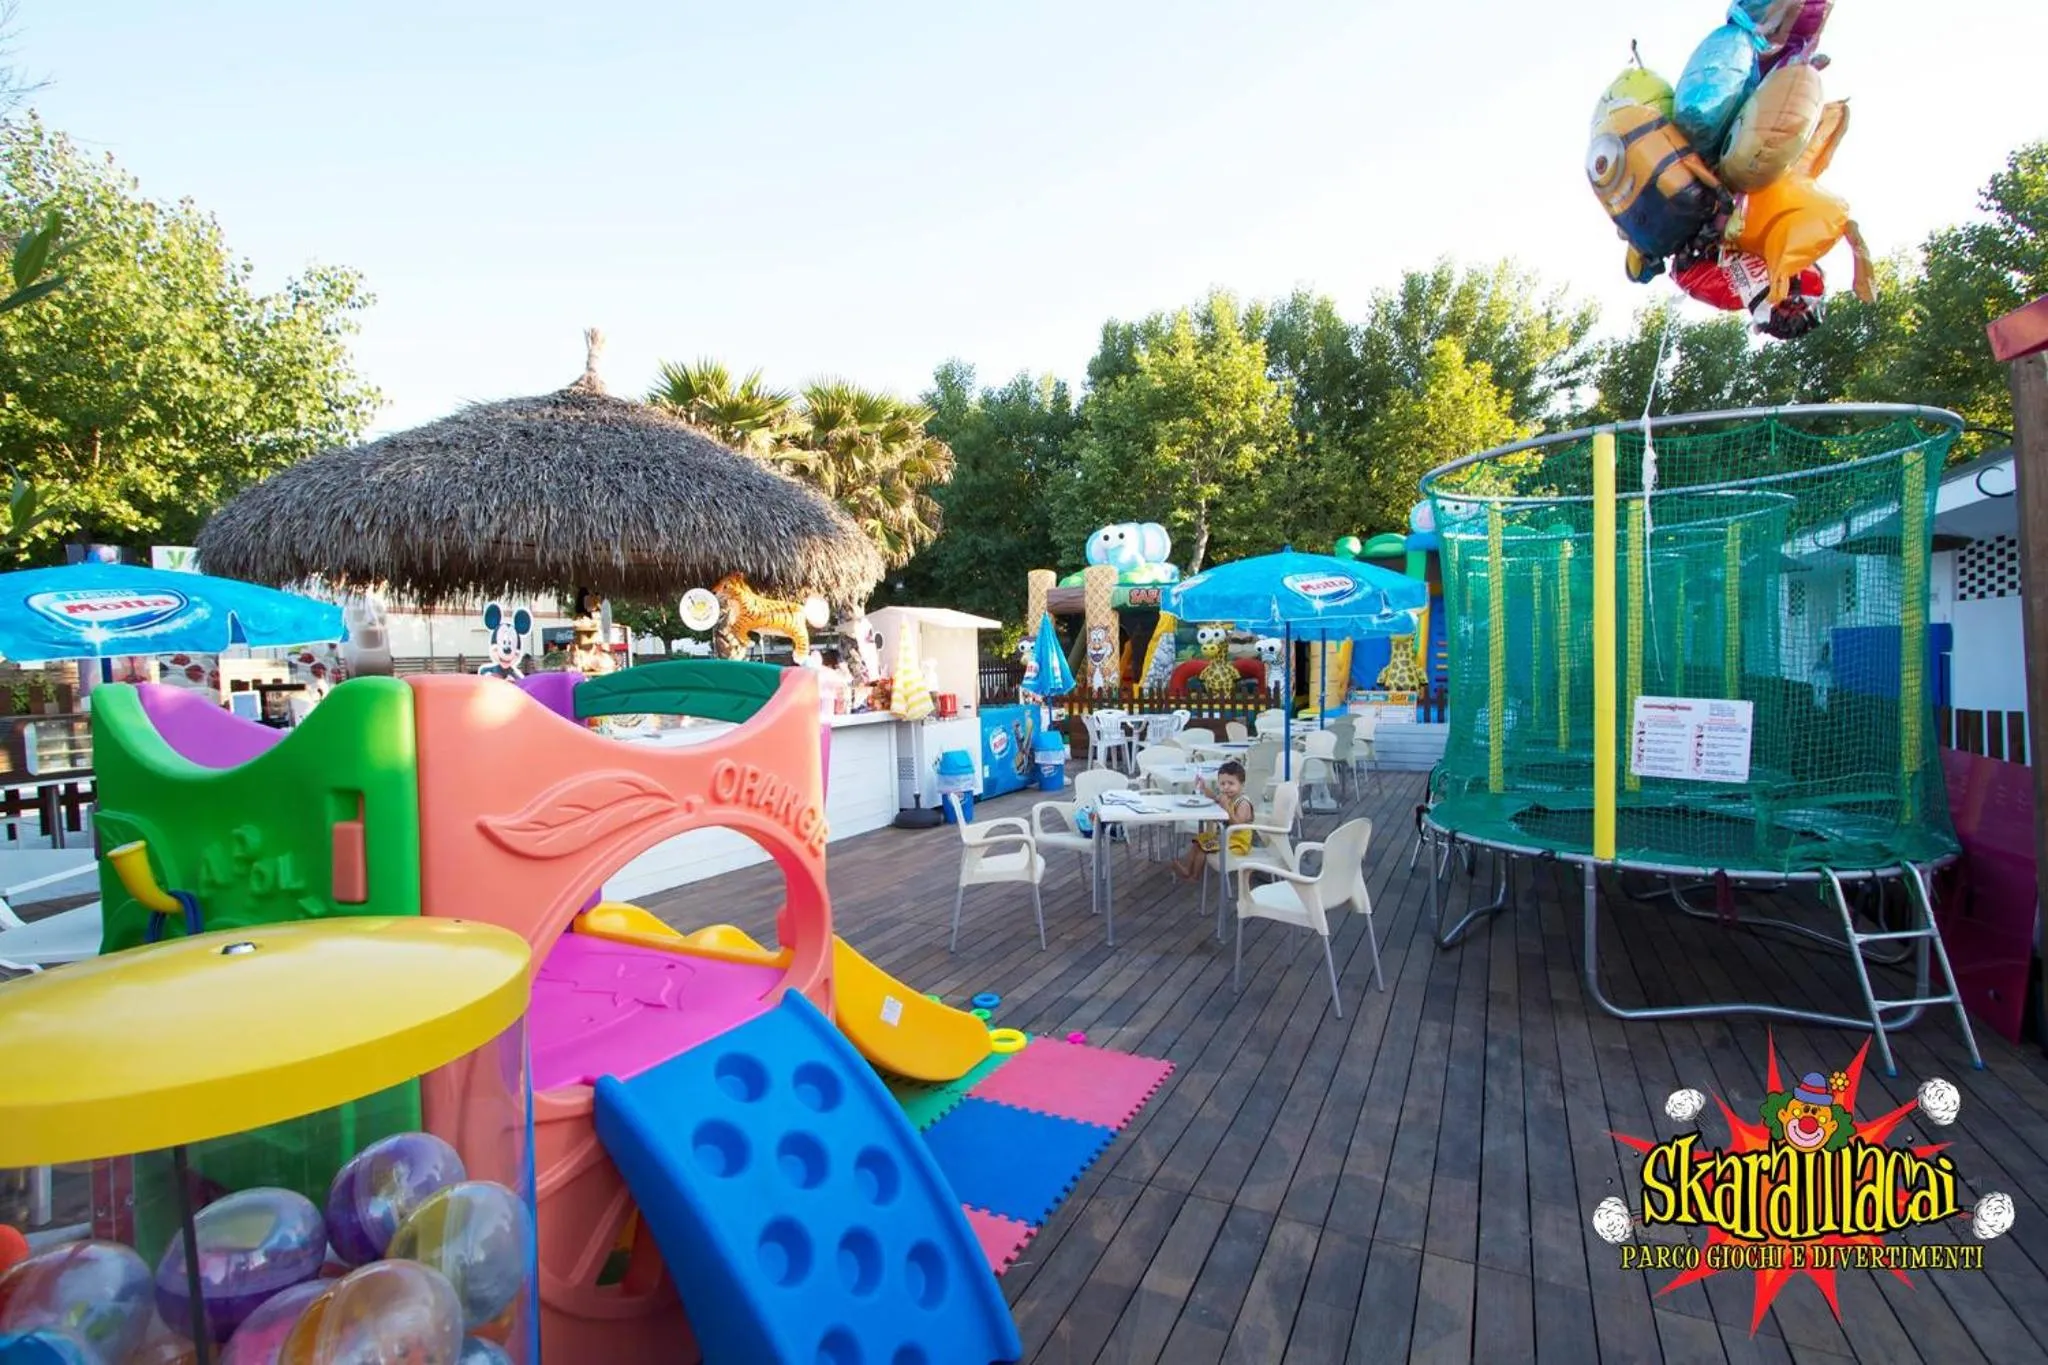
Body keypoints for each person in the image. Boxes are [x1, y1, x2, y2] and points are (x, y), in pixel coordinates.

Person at [1173, 760, 1255, 881]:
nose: (1226, 787)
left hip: (1237, 844)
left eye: (1231, 783)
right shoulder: (1228, 798)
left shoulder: (1243, 803)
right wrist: (1204, 788)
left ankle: (1194, 876)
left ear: (1242, 784)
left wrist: (1227, 808)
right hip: (1224, 839)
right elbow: (1214, 798)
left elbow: (1237, 826)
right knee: (1198, 843)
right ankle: (1187, 870)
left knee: (1203, 848)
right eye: (1222, 784)